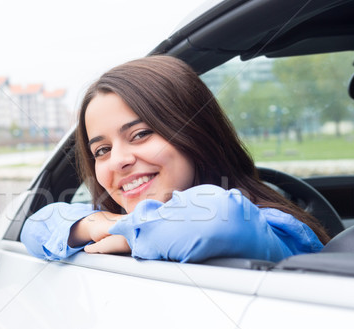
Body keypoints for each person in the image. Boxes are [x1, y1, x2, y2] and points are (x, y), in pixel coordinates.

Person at [20, 55, 328, 263]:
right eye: (102, 150)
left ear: (196, 133)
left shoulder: (275, 227)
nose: (118, 161)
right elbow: (36, 226)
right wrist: (111, 224)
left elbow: (218, 219)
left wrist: (127, 231)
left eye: (140, 134)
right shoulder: (116, 219)